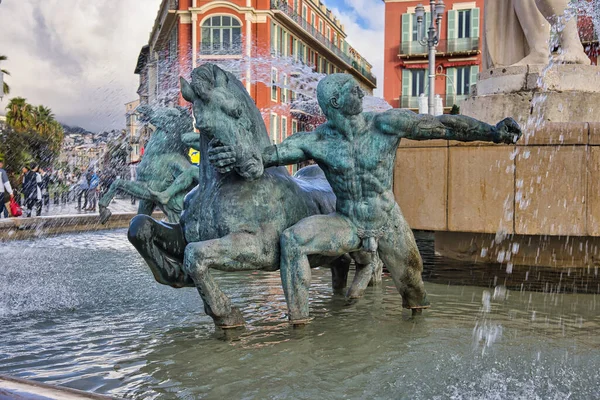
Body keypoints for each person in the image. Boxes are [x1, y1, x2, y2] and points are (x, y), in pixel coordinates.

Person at [209, 73, 522, 323]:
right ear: (335, 102)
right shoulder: (316, 141)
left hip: (386, 220)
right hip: (346, 221)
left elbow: (443, 125)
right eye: (352, 89)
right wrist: (234, 154)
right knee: (292, 241)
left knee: (413, 286)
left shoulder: (385, 124)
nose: (360, 92)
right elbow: (269, 155)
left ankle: (416, 326)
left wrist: (493, 132)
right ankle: (300, 326)